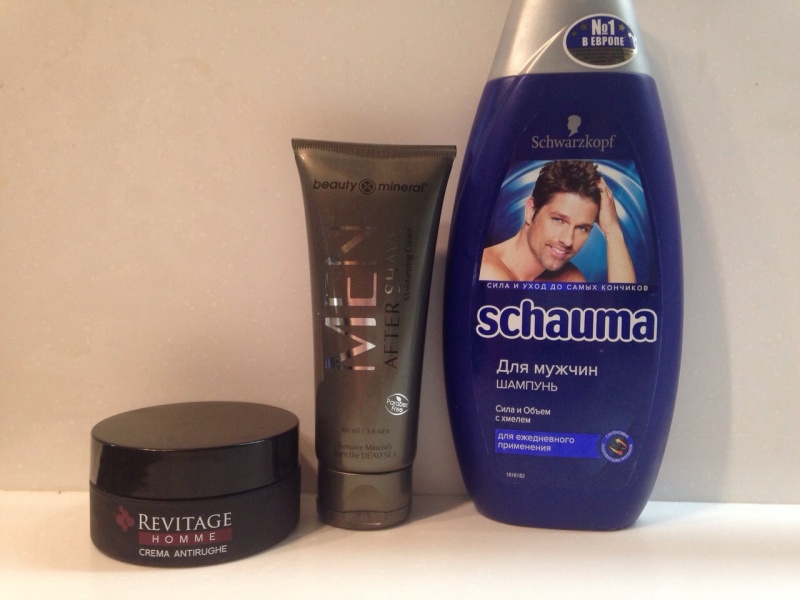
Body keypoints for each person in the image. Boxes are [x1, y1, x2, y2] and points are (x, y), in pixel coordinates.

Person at [479, 160, 636, 283]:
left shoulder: (569, 278)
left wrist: (612, 230)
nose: (568, 241)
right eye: (558, 220)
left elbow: (625, 312)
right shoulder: (486, 272)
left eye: (582, 228)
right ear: (531, 210)